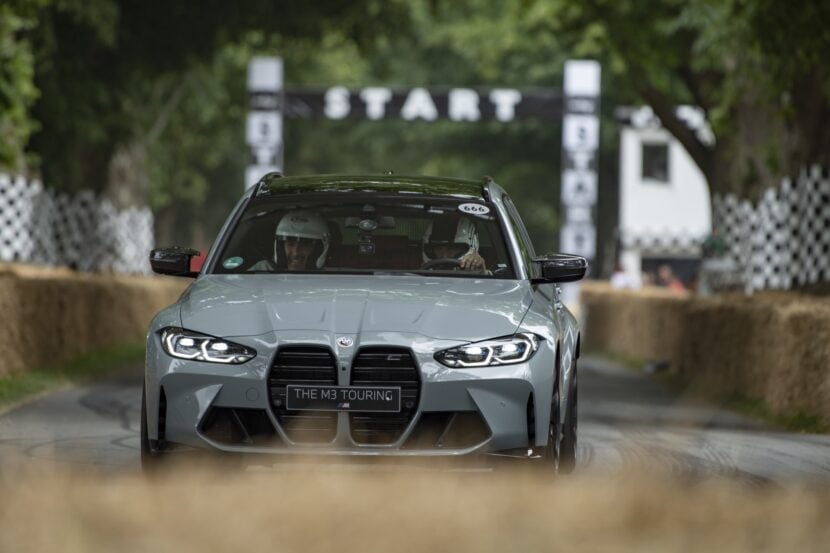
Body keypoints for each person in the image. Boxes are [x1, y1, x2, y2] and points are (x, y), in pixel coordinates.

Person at [250, 209, 330, 271]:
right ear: (280, 247)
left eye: (304, 245)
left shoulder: (333, 277)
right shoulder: (262, 269)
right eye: (290, 244)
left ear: (318, 248)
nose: (296, 252)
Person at [422, 215, 487, 271]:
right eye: (438, 249)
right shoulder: (419, 275)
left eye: (450, 249)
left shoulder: (477, 270)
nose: (444, 256)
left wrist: (480, 270)